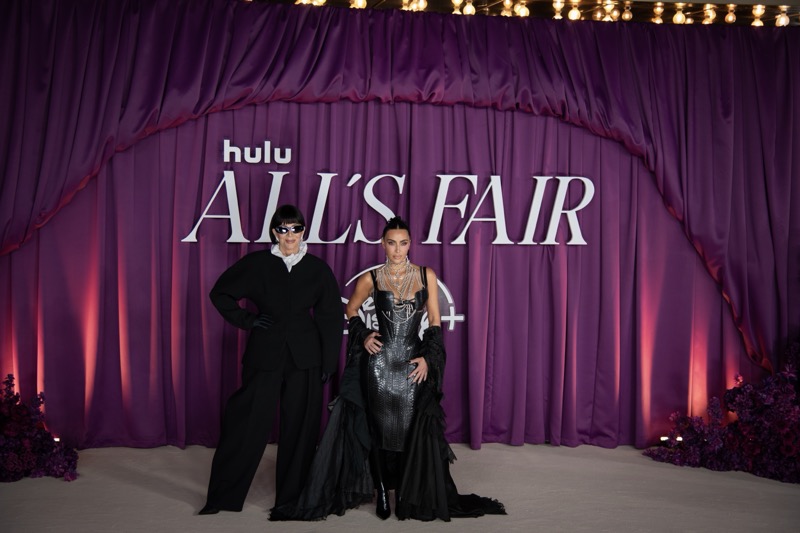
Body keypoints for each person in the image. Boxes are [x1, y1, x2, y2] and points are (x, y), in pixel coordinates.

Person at [270, 216, 505, 522]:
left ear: (410, 244)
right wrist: (364, 335)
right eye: (392, 243)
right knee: (378, 430)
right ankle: (381, 490)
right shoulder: (372, 278)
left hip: (412, 364)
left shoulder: (426, 275)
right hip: (378, 366)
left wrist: (428, 359)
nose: (397, 249)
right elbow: (350, 309)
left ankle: (405, 491)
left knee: (409, 429)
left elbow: (435, 321)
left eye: (403, 243)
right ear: (383, 244)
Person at [198, 204, 342, 516]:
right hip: (264, 355)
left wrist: (329, 362)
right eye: (283, 229)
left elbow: (331, 317)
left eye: (296, 228)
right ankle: (223, 497)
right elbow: (220, 293)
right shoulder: (256, 264)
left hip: (306, 360)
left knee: (301, 431)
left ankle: (291, 500)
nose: (290, 235)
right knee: (246, 423)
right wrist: (248, 320)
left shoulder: (318, 270)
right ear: (274, 232)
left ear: (303, 231)